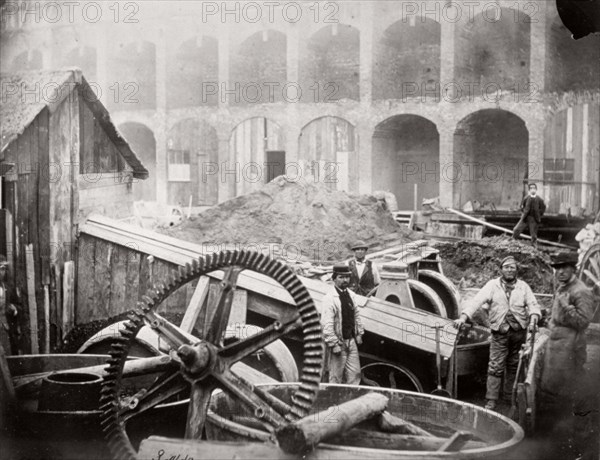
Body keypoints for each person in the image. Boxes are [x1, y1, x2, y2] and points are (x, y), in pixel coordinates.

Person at [453, 256, 541, 410]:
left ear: (516, 270)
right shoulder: (492, 285)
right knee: (495, 365)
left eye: (512, 267)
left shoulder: (523, 287)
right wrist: (463, 317)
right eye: (506, 267)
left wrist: (533, 319)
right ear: (501, 269)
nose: (509, 270)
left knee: (515, 365)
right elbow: (476, 302)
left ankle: (509, 397)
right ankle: (491, 399)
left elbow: (533, 305)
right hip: (499, 333)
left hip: (518, 332)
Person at [539, 252, 595, 459]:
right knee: (552, 392)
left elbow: (583, 322)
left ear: (573, 268)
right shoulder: (563, 287)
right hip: (556, 347)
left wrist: (564, 305)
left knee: (566, 394)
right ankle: (555, 439)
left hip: (570, 350)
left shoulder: (581, 291)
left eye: (564, 267)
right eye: (557, 267)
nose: (560, 271)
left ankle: (572, 444)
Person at [321, 264, 364, 384]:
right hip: (339, 343)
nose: (345, 280)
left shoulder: (351, 295)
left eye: (347, 277)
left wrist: (359, 333)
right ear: (334, 279)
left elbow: (356, 316)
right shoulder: (329, 299)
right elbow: (327, 325)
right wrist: (334, 344)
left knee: (355, 375)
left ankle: (352, 400)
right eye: (341, 277)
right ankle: (333, 401)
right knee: (335, 377)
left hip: (351, 341)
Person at [512, 183, 546, 248]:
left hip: (534, 219)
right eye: (531, 188)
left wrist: (539, 214)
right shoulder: (526, 198)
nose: (532, 190)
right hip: (525, 218)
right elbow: (522, 206)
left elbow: (543, 208)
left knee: (533, 234)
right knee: (516, 229)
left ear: (536, 190)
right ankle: (513, 241)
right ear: (529, 190)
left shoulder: (539, 199)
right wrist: (524, 212)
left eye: (534, 188)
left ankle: (534, 245)